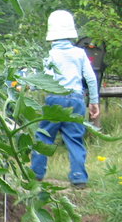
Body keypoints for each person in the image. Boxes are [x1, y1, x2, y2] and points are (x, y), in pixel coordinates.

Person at [30, 10, 101, 188]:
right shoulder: (79, 53)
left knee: (44, 136)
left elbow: (45, 78)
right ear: (71, 33)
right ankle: (79, 178)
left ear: (51, 34)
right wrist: (94, 101)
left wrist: (31, 85)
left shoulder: (51, 55)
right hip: (76, 99)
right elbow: (91, 78)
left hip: (55, 99)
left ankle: (37, 173)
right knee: (75, 138)